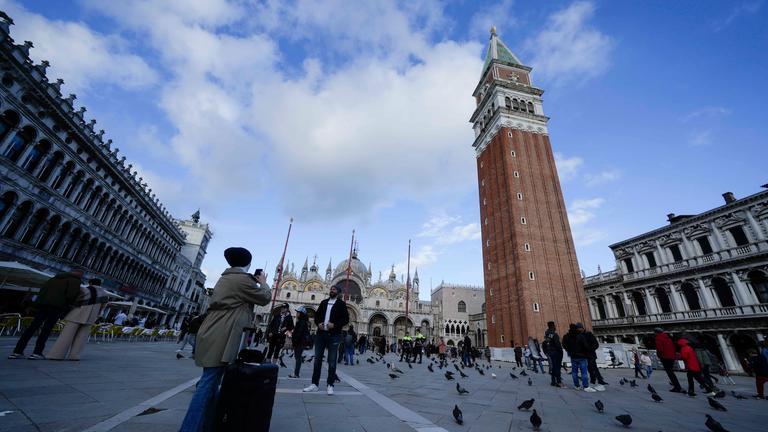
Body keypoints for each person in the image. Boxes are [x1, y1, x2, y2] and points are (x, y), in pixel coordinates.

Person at [179, 247, 271, 432]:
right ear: (248, 263)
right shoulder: (242, 280)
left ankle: (207, 425)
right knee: (208, 383)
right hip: (223, 331)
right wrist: (264, 283)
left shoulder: (227, 277)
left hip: (216, 329)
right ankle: (189, 429)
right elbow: (265, 298)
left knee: (211, 382)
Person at [8, 269, 83, 360]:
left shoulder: (53, 279)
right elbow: (71, 295)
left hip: (43, 305)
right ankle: (37, 352)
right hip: (57, 307)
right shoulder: (75, 281)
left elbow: (42, 291)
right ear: (79, 275)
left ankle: (17, 351)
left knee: (32, 328)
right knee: (46, 329)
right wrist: (69, 306)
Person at [47, 278, 110, 361]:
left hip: (77, 314)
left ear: (90, 283)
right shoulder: (105, 294)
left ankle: (57, 355)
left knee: (66, 336)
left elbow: (73, 299)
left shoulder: (84, 289)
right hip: (91, 317)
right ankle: (74, 356)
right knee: (81, 338)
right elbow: (102, 307)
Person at [303, 285, 349, 395]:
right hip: (320, 334)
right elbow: (317, 315)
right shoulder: (324, 302)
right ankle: (314, 384)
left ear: (338, 292)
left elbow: (346, 319)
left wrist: (335, 325)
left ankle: (330, 385)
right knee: (317, 359)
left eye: (334, 290)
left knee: (332, 361)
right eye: (331, 289)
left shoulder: (341, 304)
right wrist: (318, 323)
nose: (331, 291)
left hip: (334, 335)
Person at [562, 323, 596, 392]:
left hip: (573, 356)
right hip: (582, 356)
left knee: (574, 372)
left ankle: (576, 385)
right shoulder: (580, 336)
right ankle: (585, 386)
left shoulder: (567, 336)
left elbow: (564, 344)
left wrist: (569, 350)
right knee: (584, 372)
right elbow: (585, 346)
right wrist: (587, 352)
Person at [654, 328, 684, 393]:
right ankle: (677, 385)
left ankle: (677, 387)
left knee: (670, 373)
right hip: (672, 357)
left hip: (665, 357)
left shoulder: (658, 338)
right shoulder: (667, 337)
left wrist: (659, 355)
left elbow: (660, 349)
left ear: (656, 333)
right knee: (671, 372)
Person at [288, 306, 310, 378]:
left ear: (301, 314)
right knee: (298, 357)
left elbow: (299, 333)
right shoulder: (302, 321)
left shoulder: (301, 322)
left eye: (298, 312)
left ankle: (296, 374)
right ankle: (296, 373)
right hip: (300, 342)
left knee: (298, 357)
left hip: (299, 342)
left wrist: (294, 342)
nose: (297, 314)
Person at [543, 321, 564, 387]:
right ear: (552, 326)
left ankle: (553, 381)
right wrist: (561, 352)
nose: (555, 327)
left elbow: (544, 344)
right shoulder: (554, 334)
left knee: (554, 367)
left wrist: (546, 352)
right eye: (554, 326)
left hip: (550, 353)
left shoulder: (546, 335)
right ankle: (558, 381)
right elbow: (558, 344)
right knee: (557, 367)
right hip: (556, 352)